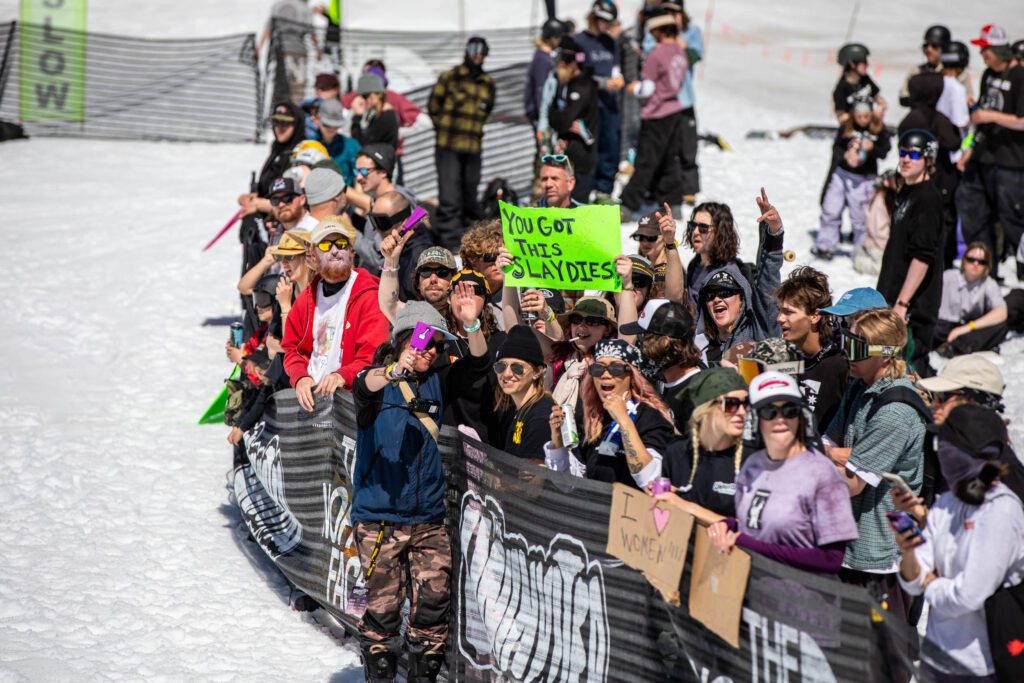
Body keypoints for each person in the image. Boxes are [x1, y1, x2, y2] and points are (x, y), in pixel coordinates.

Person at [350, 296, 489, 683]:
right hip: (379, 520)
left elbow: (478, 363)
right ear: (405, 341)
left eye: (439, 347)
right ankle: (379, 671)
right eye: (428, 344)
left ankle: (422, 674)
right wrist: (394, 370)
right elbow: (365, 383)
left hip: (428, 517)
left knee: (432, 608)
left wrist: (472, 324)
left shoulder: (436, 380)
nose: (434, 352)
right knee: (383, 611)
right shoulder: (376, 381)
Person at [661, 372, 859, 575]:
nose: (780, 419)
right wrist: (724, 527)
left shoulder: (821, 473)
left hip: (802, 598)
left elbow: (831, 560)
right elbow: (750, 527)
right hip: (750, 591)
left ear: (801, 416)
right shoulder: (754, 465)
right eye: (768, 412)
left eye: (789, 410)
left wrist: (741, 541)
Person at [895, 404, 1024, 682]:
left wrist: (929, 582)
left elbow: (969, 595)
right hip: (936, 657)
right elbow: (911, 579)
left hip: (981, 664)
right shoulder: (948, 502)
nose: (940, 452)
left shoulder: (1001, 509)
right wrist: (908, 553)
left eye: (945, 444)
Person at [824, 308, 927, 621]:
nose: (847, 354)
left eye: (856, 347)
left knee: (883, 658)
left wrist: (805, 467)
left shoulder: (896, 411)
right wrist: (829, 455)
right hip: (847, 542)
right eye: (846, 341)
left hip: (878, 553)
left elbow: (853, 483)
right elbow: (828, 443)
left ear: (885, 355)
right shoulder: (860, 385)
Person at [281, 217, 389, 411]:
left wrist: (343, 375)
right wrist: (300, 377)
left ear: (351, 252)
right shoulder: (306, 299)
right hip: (313, 404)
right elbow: (292, 349)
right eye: (325, 245)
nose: (334, 251)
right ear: (313, 255)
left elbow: (373, 356)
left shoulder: (368, 294)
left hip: (351, 404)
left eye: (341, 244)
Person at [546, 339, 674, 489]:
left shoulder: (650, 416)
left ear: (632, 377)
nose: (605, 375)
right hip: (595, 509)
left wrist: (624, 421)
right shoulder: (593, 419)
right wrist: (557, 441)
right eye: (598, 369)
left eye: (616, 368)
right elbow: (568, 483)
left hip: (632, 510)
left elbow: (652, 480)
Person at [957, 24, 1024, 281]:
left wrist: (990, 115)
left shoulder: (1020, 77)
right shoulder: (987, 74)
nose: (983, 54)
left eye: (986, 49)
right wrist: (970, 148)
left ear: (998, 49)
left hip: (1011, 163)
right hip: (983, 159)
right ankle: (985, 270)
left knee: (1012, 221)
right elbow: (981, 119)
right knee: (976, 215)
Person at [876, 129, 944, 373]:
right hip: (892, 297)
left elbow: (923, 257)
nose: (905, 159)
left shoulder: (928, 199)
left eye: (913, 155)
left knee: (910, 368)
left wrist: (903, 303)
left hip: (912, 309)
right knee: (887, 364)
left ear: (928, 160)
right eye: (902, 152)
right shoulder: (907, 190)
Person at [694, 189, 785, 362]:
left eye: (726, 293)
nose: (717, 299)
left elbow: (767, 282)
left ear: (743, 300)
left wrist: (773, 234)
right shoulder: (698, 349)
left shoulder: (759, 331)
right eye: (710, 295)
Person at [428, 36, 496, 251]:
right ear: (467, 51)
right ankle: (449, 242)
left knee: (469, 194)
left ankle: (468, 242)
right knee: (450, 196)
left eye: (482, 51)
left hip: (472, 147)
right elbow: (433, 106)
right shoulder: (451, 77)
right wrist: (446, 128)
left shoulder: (487, 82)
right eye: (474, 50)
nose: (477, 55)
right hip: (448, 146)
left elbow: (487, 110)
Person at [620, 12, 687, 219]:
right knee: (669, 159)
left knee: (646, 160)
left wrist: (633, 88)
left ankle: (628, 206)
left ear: (659, 31)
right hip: (675, 110)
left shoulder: (656, 54)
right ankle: (673, 204)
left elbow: (647, 88)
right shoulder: (679, 52)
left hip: (656, 113)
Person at [811, 96, 892, 260]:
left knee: (859, 216)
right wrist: (845, 155)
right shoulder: (846, 127)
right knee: (830, 209)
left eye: (866, 116)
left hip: (864, 178)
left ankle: (860, 248)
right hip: (842, 174)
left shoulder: (878, 129)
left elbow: (884, 151)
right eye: (859, 116)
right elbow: (836, 148)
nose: (862, 120)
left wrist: (872, 148)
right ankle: (825, 244)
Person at [661, 367, 748, 517]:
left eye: (746, 403)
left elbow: (758, 533)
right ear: (705, 408)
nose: (742, 412)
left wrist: (687, 507)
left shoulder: (753, 460)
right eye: (731, 404)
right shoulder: (677, 454)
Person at [774, 266, 849, 430]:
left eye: (788, 312)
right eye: (779, 310)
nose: (779, 318)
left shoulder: (841, 365)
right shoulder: (781, 357)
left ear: (815, 316)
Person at [621, 298, 701, 432]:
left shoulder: (698, 392)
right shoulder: (659, 384)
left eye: (643, 338)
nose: (638, 346)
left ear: (665, 342)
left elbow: (698, 450)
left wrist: (664, 422)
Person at [575, 0, 625, 201]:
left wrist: (618, 79)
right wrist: (602, 84)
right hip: (590, 106)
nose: (605, 25)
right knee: (590, 150)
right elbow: (578, 76)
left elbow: (615, 68)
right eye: (602, 20)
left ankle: (604, 191)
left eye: (609, 22)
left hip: (610, 104)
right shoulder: (580, 41)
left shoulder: (610, 43)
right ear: (594, 17)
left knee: (611, 146)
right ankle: (584, 192)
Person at [933, 242, 1008, 359]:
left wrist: (967, 328)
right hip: (942, 326)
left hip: (967, 328)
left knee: (1001, 326)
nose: (976, 264)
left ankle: (954, 347)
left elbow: (1002, 312)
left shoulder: (989, 283)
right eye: (971, 259)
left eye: (982, 262)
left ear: (987, 266)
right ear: (964, 261)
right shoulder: (948, 277)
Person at [490, 325, 554, 460]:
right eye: (500, 366)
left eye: (517, 367)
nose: (507, 374)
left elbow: (535, 478)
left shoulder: (542, 416)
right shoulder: (511, 411)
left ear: (537, 371)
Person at [547, 36, 599, 202]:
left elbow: (563, 122)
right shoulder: (566, 84)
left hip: (581, 158)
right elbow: (553, 116)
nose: (558, 68)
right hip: (569, 155)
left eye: (561, 64)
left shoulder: (582, 86)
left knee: (575, 207)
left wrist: (560, 119)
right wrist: (558, 117)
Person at [551, 296, 617, 414]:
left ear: (607, 329)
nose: (581, 326)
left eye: (592, 321)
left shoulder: (613, 367)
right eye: (576, 319)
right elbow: (516, 331)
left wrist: (627, 288)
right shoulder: (563, 358)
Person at [379, 231, 456, 322]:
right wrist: (390, 260)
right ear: (418, 283)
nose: (433, 279)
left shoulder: (463, 313)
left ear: (453, 279)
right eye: (425, 272)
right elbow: (390, 304)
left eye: (442, 272)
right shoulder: (413, 315)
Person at [257, 0, 317, 104]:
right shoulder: (305, 9)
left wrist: (259, 48)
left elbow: (268, 29)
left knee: (280, 85)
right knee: (298, 85)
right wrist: (318, 50)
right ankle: (295, 110)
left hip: (279, 52)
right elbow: (312, 33)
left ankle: (280, 110)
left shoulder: (278, 5)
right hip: (299, 52)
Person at [525, 18, 569, 132]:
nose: (560, 41)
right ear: (551, 38)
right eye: (558, 37)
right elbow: (541, 89)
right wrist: (544, 119)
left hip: (548, 114)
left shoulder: (549, 57)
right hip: (542, 117)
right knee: (546, 148)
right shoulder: (542, 59)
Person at [311, 98, 361, 188]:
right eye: (326, 124)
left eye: (335, 125)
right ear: (318, 119)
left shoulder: (352, 146)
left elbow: (359, 179)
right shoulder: (310, 145)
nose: (331, 129)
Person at [898, 25, 952, 107]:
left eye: (934, 46)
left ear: (945, 49)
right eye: (926, 45)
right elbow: (903, 98)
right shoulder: (916, 71)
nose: (928, 50)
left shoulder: (952, 72)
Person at [832, 43, 886, 124]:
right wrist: (862, 117)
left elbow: (879, 99)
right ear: (852, 65)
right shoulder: (841, 89)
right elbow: (841, 118)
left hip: (871, 128)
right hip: (852, 132)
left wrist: (880, 108)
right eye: (864, 63)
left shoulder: (866, 80)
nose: (867, 65)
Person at [350, 72, 399, 150]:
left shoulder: (386, 117)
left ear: (379, 94)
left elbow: (360, 144)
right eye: (362, 96)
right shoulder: (378, 114)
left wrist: (357, 117)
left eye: (366, 95)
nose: (364, 100)